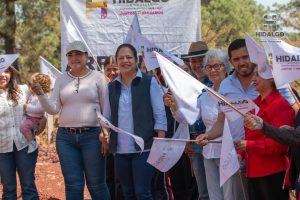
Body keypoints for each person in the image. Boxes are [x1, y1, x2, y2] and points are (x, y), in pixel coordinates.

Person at [31, 40, 110, 200]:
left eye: (78, 54)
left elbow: (106, 109)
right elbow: (53, 109)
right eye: (70, 55)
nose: (74, 58)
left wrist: (105, 135)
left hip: (93, 137)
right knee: (73, 185)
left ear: (86, 57)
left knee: (97, 185)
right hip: (65, 139)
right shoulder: (61, 79)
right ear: (67, 58)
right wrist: (40, 94)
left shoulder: (98, 77)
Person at [101, 43, 167, 200]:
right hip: (120, 150)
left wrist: (161, 140)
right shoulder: (111, 87)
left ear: (136, 61)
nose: (125, 61)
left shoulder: (149, 82)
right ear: (116, 62)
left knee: (142, 193)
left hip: (144, 148)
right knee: (127, 193)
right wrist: (104, 135)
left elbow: (159, 113)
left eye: (129, 57)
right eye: (121, 58)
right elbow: (106, 118)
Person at [235, 66, 294, 200]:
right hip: (253, 171)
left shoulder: (280, 104)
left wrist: (249, 146)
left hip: (273, 171)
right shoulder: (254, 104)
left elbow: (282, 144)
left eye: (258, 75)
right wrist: (240, 154)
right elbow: (248, 135)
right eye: (253, 74)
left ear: (271, 78)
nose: (253, 78)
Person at [0, 67, 39, 199]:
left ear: (11, 73)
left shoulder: (23, 90)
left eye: (5, 71)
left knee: (28, 185)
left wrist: (39, 124)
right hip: (2, 148)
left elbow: (40, 104)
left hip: (25, 144)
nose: (2, 75)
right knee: (8, 188)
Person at [244, 112, 300, 199]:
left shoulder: (280, 103)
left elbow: (296, 137)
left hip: (274, 170)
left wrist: (263, 126)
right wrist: (292, 130)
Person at [181, 41, 210, 200]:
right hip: (194, 143)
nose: (197, 64)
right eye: (193, 61)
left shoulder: (217, 81)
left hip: (213, 142)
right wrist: (186, 138)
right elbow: (185, 116)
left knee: (219, 191)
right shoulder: (187, 84)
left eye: (201, 60)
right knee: (203, 193)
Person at [21, 73, 51, 153]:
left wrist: (26, 107)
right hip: (31, 117)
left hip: (35, 119)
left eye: (31, 84)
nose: (29, 85)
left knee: (24, 127)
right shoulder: (33, 94)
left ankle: (32, 143)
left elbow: (39, 109)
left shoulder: (42, 96)